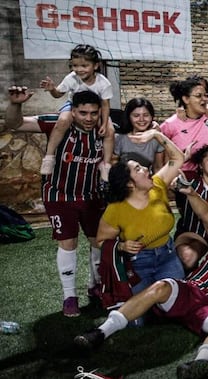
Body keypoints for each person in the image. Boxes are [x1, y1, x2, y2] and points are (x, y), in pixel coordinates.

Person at [75, 187, 208, 378]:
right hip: (189, 291)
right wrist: (190, 193)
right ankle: (100, 333)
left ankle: (198, 365)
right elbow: (205, 213)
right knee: (162, 285)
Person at [7, 88, 107, 317]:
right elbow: (17, 124)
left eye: (93, 113)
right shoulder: (58, 123)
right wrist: (16, 104)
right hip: (59, 196)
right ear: (73, 111)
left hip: (92, 196)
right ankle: (69, 296)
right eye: (83, 113)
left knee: (99, 242)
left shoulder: (104, 128)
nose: (89, 118)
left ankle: (96, 286)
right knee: (67, 243)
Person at [98, 128, 186, 305]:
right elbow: (101, 241)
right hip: (139, 264)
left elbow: (178, 158)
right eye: (138, 169)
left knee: (178, 305)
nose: (146, 168)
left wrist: (157, 135)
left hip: (167, 256)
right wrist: (121, 245)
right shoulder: (115, 209)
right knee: (136, 321)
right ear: (130, 184)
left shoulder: (158, 185)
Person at [39, 44, 114, 180]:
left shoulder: (104, 83)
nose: (79, 70)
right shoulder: (71, 78)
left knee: (110, 130)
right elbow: (58, 94)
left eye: (84, 66)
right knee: (62, 121)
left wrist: (103, 124)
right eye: (75, 66)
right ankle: (49, 156)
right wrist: (52, 89)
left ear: (95, 66)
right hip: (73, 105)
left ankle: (106, 165)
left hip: (96, 109)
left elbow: (105, 105)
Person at [114, 98, 165, 173]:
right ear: (129, 117)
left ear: (151, 116)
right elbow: (113, 165)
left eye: (146, 115)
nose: (141, 119)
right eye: (136, 115)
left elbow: (158, 168)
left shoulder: (156, 139)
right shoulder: (119, 138)